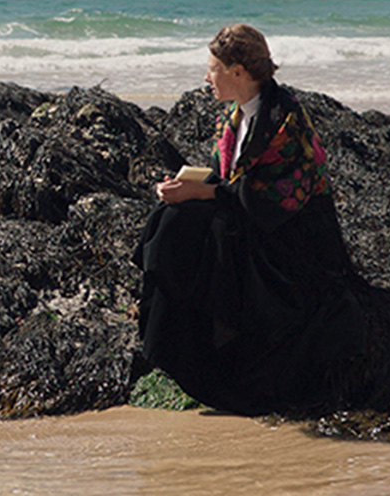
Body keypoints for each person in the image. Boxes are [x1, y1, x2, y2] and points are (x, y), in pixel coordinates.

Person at [133, 24, 366, 415]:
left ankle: (213, 346)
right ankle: (166, 336)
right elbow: (227, 183)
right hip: (248, 220)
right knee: (172, 217)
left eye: (212, 68)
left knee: (200, 223)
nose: (206, 78)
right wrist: (184, 186)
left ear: (238, 71)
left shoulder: (286, 120)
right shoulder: (233, 118)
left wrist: (204, 192)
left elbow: (273, 199)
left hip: (291, 244)